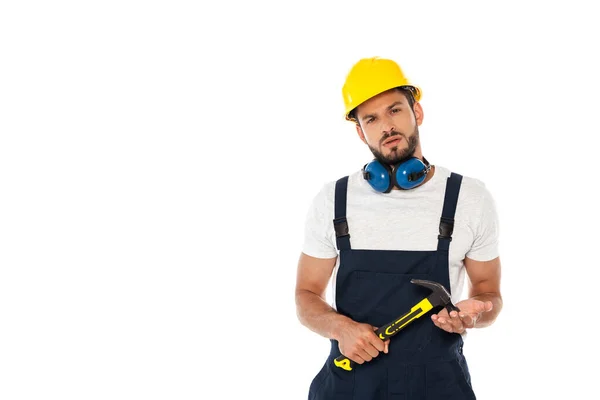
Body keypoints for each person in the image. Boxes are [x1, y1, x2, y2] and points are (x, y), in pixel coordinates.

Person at [295, 56, 503, 399]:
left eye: (395, 110)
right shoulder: (334, 199)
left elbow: (488, 292)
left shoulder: (469, 197)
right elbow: (305, 295)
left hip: (438, 388)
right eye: (371, 118)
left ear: (416, 113)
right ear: (360, 131)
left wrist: (473, 315)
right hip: (349, 388)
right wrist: (340, 328)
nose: (386, 127)